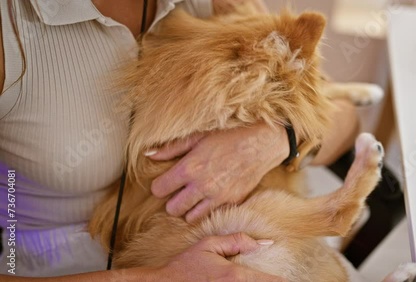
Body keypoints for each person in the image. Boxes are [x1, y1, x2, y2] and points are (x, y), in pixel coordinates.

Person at [0, 0, 358, 280]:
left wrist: (279, 137)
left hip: (227, 247)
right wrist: (151, 278)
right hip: (58, 266)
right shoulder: (11, 29)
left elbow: (345, 117)